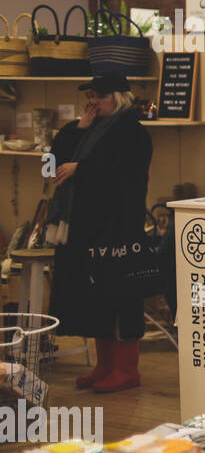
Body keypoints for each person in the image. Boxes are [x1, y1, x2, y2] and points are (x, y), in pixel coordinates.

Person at [46, 72, 153, 393]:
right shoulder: (86, 130)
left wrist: (82, 167)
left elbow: (126, 175)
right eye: (90, 95)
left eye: (99, 96)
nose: (93, 102)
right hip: (85, 227)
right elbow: (49, 165)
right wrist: (77, 128)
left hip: (117, 227)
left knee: (119, 296)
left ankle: (126, 369)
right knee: (94, 297)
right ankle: (104, 365)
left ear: (118, 98)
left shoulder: (132, 132)